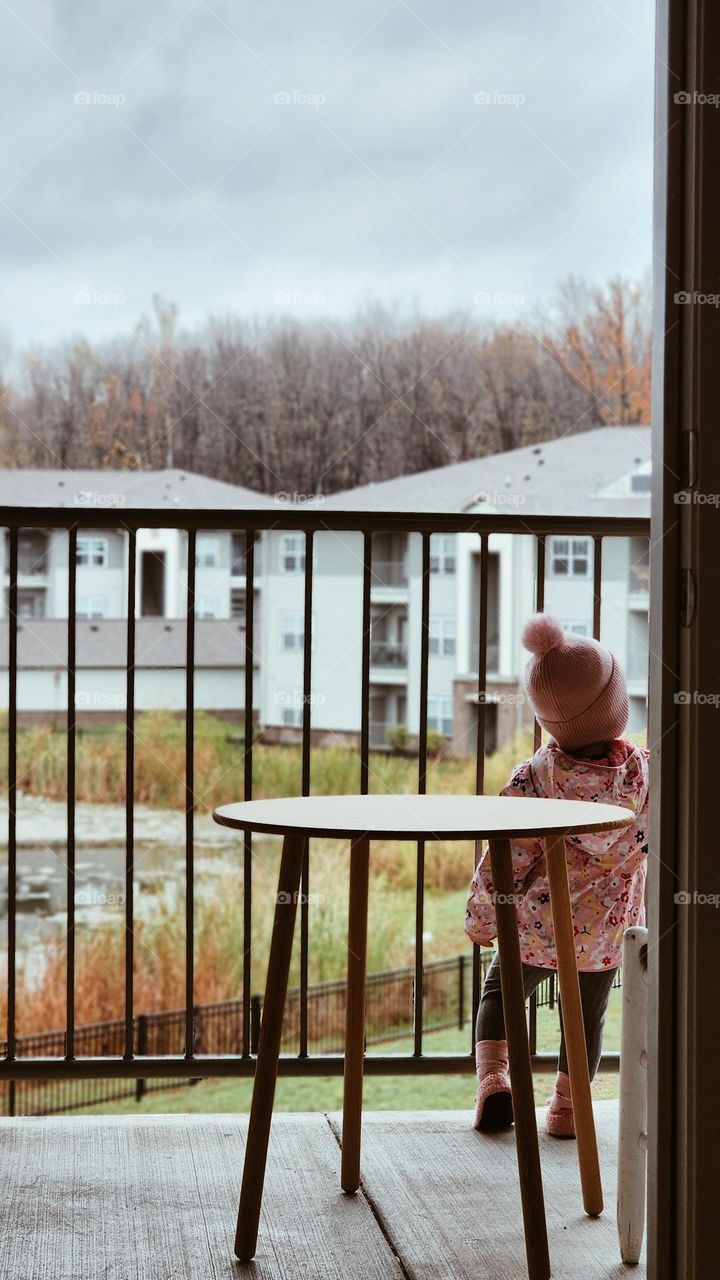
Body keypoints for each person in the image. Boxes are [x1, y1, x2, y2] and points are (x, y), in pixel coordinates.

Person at [465, 613, 649, 1137]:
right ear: (616, 708)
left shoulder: (534, 780)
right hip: (606, 934)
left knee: (500, 996)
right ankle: (568, 1109)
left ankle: (495, 1080)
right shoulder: (648, 776)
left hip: (531, 929)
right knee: (584, 1019)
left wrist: (483, 919)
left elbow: (505, 857)